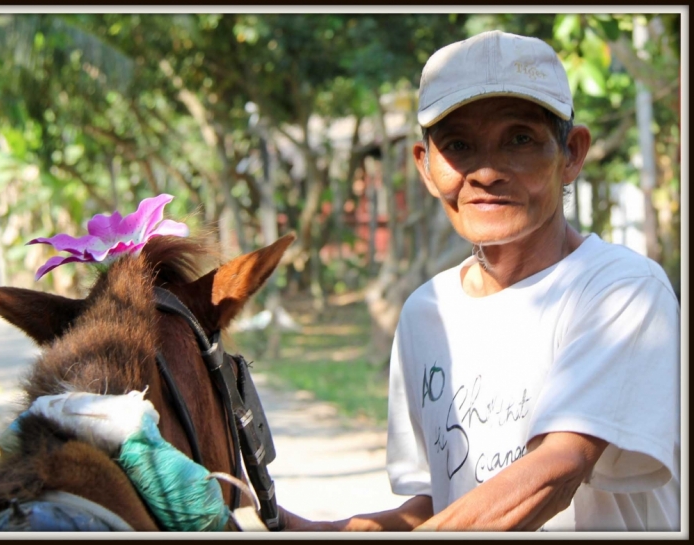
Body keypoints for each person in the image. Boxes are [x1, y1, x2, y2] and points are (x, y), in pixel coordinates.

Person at [281, 30, 680, 532]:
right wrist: (295, 527)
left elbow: (554, 474)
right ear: (425, 168)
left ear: (572, 155)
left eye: (520, 138)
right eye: (458, 145)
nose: (486, 171)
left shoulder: (622, 290)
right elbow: (440, 502)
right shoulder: (427, 313)